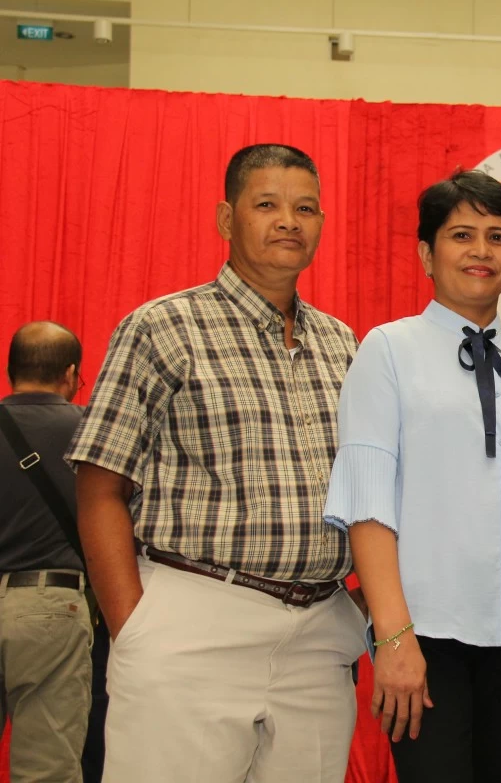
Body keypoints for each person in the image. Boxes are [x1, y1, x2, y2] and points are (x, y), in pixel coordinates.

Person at [66, 144, 365, 783]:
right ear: (226, 220)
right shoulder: (163, 327)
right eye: (267, 205)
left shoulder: (342, 343)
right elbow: (99, 489)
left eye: (306, 208)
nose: (289, 220)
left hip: (318, 634)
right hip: (193, 618)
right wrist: (135, 628)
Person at [324, 170, 501, 783]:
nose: (480, 251)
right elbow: (368, 504)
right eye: (461, 234)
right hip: (427, 637)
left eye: (496, 236)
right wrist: (394, 637)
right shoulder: (387, 350)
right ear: (426, 254)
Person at [0, 321, 89, 783]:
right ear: (71, 373)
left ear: (11, 369)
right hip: (49, 604)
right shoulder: (91, 433)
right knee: (47, 767)